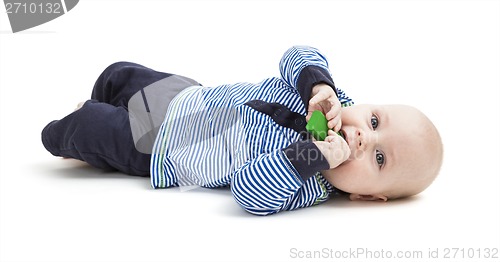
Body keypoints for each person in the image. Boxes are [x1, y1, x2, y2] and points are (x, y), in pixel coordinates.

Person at [41, 46, 443, 216]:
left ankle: (69, 135)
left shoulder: (308, 186)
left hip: (164, 148)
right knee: (119, 74)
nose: (362, 137)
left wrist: (311, 157)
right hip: (187, 98)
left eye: (378, 157)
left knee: (91, 127)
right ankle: (103, 102)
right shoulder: (330, 99)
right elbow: (295, 55)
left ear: (366, 197)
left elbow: (247, 191)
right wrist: (318, 84)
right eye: (374, 122)